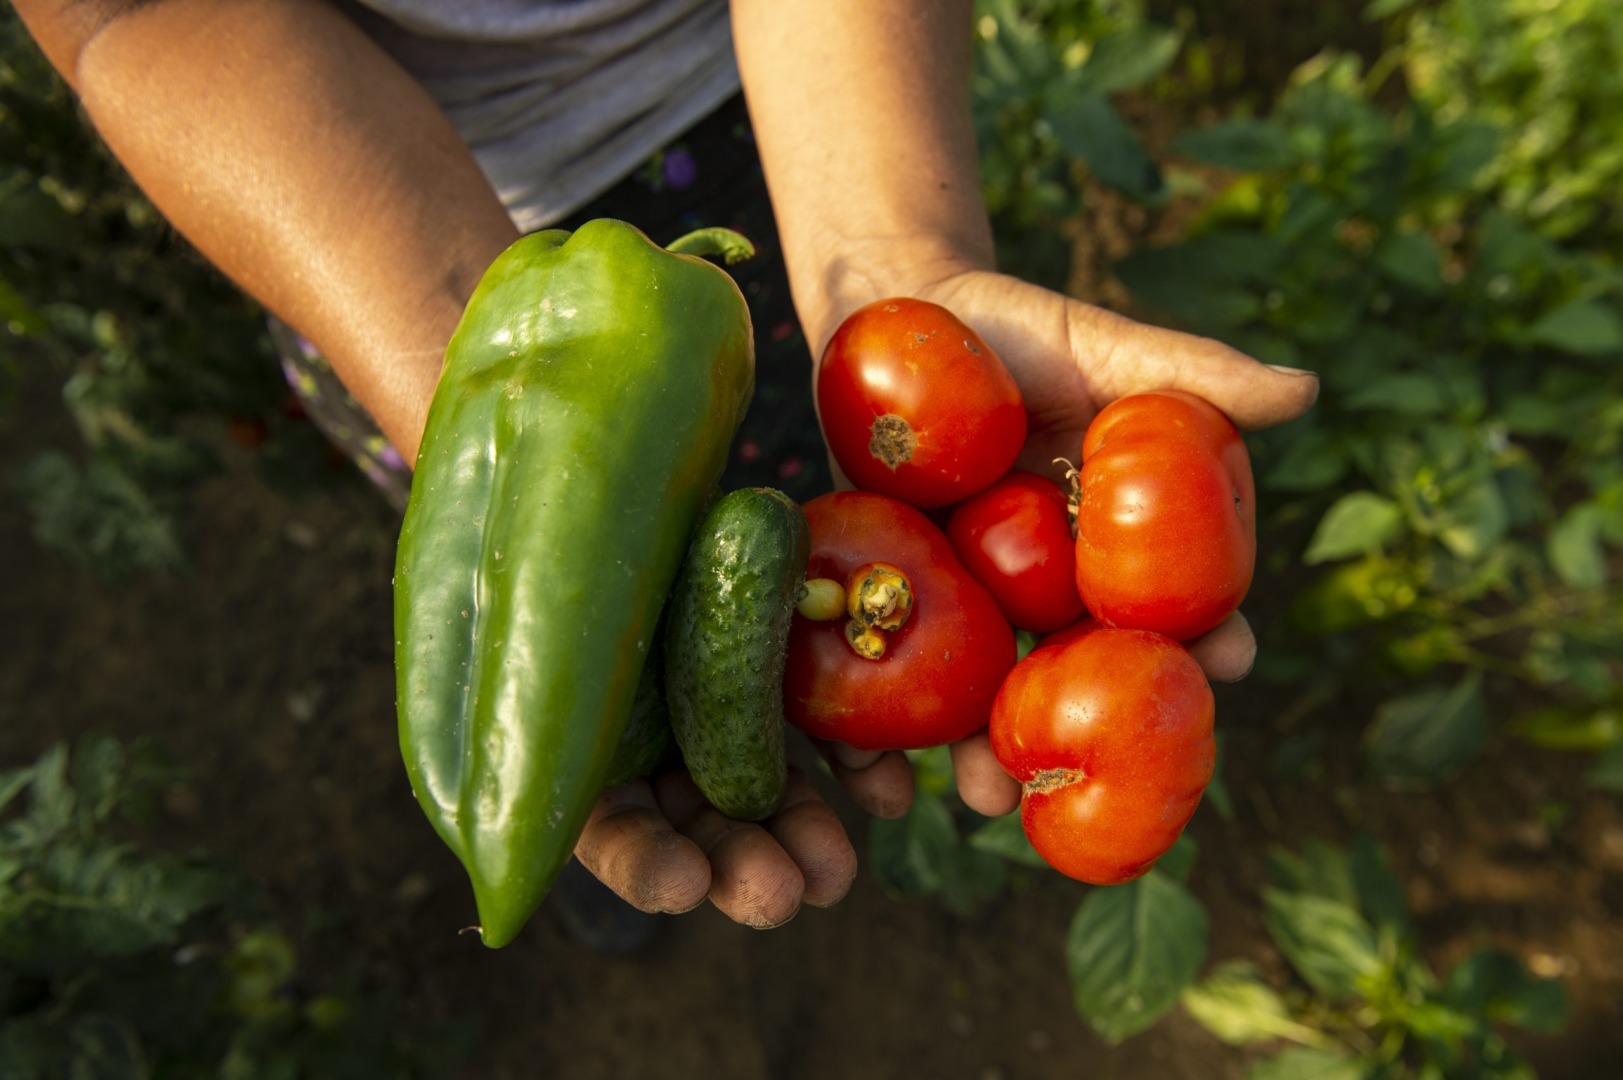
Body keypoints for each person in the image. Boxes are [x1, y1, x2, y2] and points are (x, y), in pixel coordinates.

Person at [13, 0, 1318, 933]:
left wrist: (896, 260)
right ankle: (549, 863)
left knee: (810, 517)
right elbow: (124, 13)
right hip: (376, 241)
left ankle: (567, 844)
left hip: (806, 132)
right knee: (570, 667)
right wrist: (483, 404)